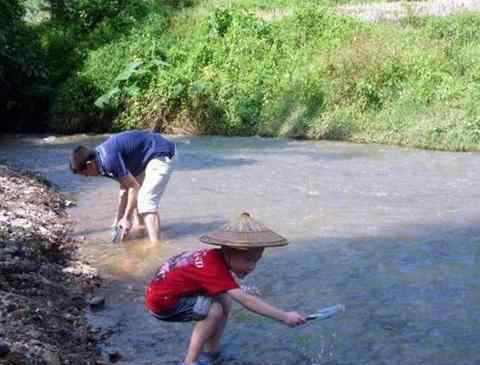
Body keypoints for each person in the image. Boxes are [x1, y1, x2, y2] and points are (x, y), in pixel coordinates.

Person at [145, 213, 306, 365]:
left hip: (164, 293)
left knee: (225, 300)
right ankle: (190, 361)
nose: (252, 267)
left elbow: (214, 280)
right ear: (228, 252)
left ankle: (212, 351)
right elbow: (246, 301)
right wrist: (284, 316)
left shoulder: (213, 257)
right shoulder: (214, 268)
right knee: (214, 310)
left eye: (256, 261)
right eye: (248, 260)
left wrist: (240, 288)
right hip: (164, 304)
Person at [69, 130, 176, 242]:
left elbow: (133, 186)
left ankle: (155, 246)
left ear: (89, 164)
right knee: (136, 200)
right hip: (145, 158)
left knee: (146, 201)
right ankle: (141, 229)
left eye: (85, 173)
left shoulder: (108, 160)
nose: (87, 177)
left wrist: (127, 218)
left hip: (161, 153)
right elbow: (125, 188)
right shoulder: (99, 162)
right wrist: (118, 219)